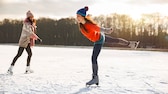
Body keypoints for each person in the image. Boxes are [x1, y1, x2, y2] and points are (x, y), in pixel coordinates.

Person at [76, 6, 139, 86]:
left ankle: (95, 78)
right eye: (76, 16)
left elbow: (98, 28)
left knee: (94, 58)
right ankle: (131, 44)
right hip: (100, 37)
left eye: (78, 16)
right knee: (115, 40)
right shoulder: (82, 25)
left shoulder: (89, 25)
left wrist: (106, 30)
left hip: (99, 39)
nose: (77, 18)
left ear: (82, 17)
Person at [7, 10, 42, 75]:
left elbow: (31, 32)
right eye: (30, 17)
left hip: (27, 41)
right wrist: (37, 38)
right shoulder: (26, 24)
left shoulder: (31, 24)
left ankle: (27, 69)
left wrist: (36, 37)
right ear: (28, 17)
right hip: (24, 41)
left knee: (30, 54)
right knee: (19, 54)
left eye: (32, 16)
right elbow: (29, 33)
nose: (32, 18)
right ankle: (10, 68)